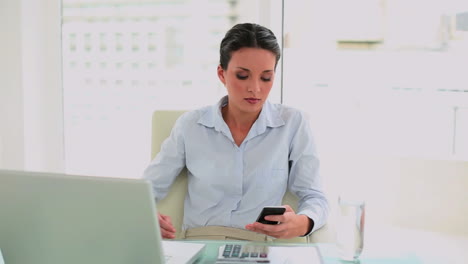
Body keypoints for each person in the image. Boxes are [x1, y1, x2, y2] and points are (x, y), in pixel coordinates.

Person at [143, 23, 329, 241]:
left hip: (257, 247)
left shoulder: (293, 124)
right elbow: (148, 187)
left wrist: (304, 222)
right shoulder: (190, 125)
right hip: (199, 244)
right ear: (222, 74)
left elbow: (315, 196)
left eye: (266, 77)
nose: (255, 88)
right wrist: (144, 214)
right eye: (243, 76)